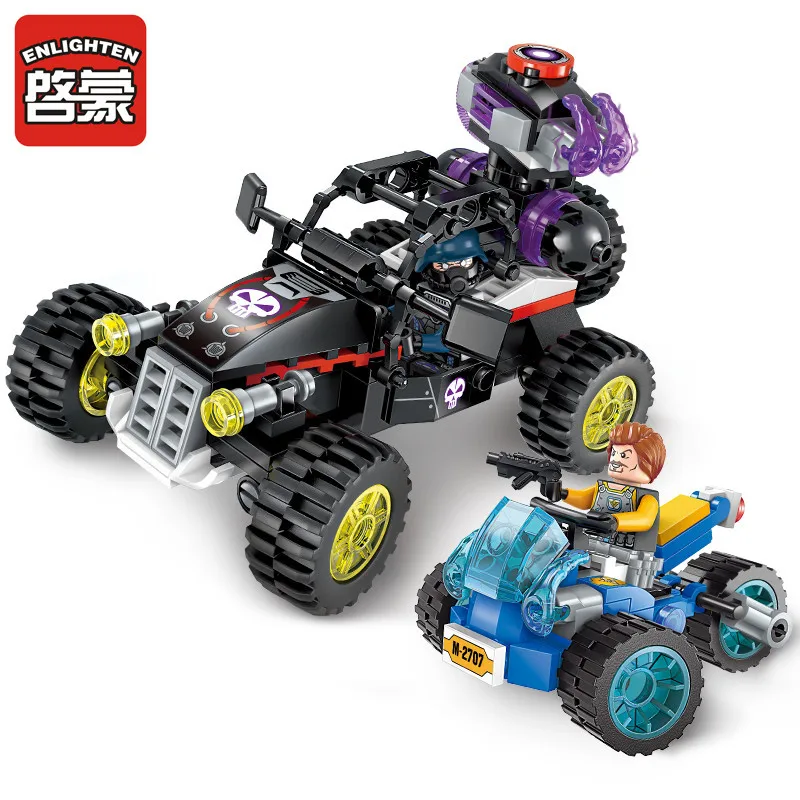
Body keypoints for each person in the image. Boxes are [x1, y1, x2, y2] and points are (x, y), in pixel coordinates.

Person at [560, 422, 667, 587]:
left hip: (628, 559)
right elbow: (583, 499)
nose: (616, 460)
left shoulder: (647, 498)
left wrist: (615, 521)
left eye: (624, 456)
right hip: (591, 547)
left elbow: (644, 519)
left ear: (647, 462)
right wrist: (560, 492)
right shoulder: (603, 488)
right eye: (615, 453)